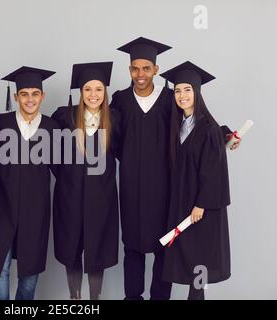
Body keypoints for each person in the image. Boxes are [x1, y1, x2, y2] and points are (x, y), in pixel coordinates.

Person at [160, 61, 231, 300]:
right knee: (188, 259)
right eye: (178, 91)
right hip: (182, 203)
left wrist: (201, 204)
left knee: (200, 260)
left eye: (187, 90)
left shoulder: (207, 128)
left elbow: (213, 170)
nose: (182, 95)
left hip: (200, 208)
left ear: (197, 92)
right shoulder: (178, 125)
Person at [110, 37, 174, 300]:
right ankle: (132, 297)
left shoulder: (170, 98)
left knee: (164, 244)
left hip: (164, 186)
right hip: (131, 185)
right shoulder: (120, 99)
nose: (140, 74)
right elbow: (111, 138)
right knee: (132, 247)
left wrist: (224, 135)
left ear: (156, 70)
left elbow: (194, 126)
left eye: (146, 68)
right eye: (135, 68)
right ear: (129, 70)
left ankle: (160, 297)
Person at [51, 62, 121, 300]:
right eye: (88, 89)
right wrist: (66, 178)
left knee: (97, 249)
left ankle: (95, 299)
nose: (93, 95)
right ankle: (75, 298)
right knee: (72, 248)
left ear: (105, 92)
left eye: (99, 89)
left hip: (102, 199)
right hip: (69, 198)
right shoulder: (65, 117)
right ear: (80, 92)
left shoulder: (114, 120)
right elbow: (47, 151)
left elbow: (132, 151)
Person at [0, 66, 59, 300]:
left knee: (30, 272)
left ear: (42, 96)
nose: (30, 99)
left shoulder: (52, 128)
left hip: (35, 209)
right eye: (24, 94)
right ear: (15, 96)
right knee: (1, 268)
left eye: (35, 93)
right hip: (2, 207)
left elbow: (64, 169)